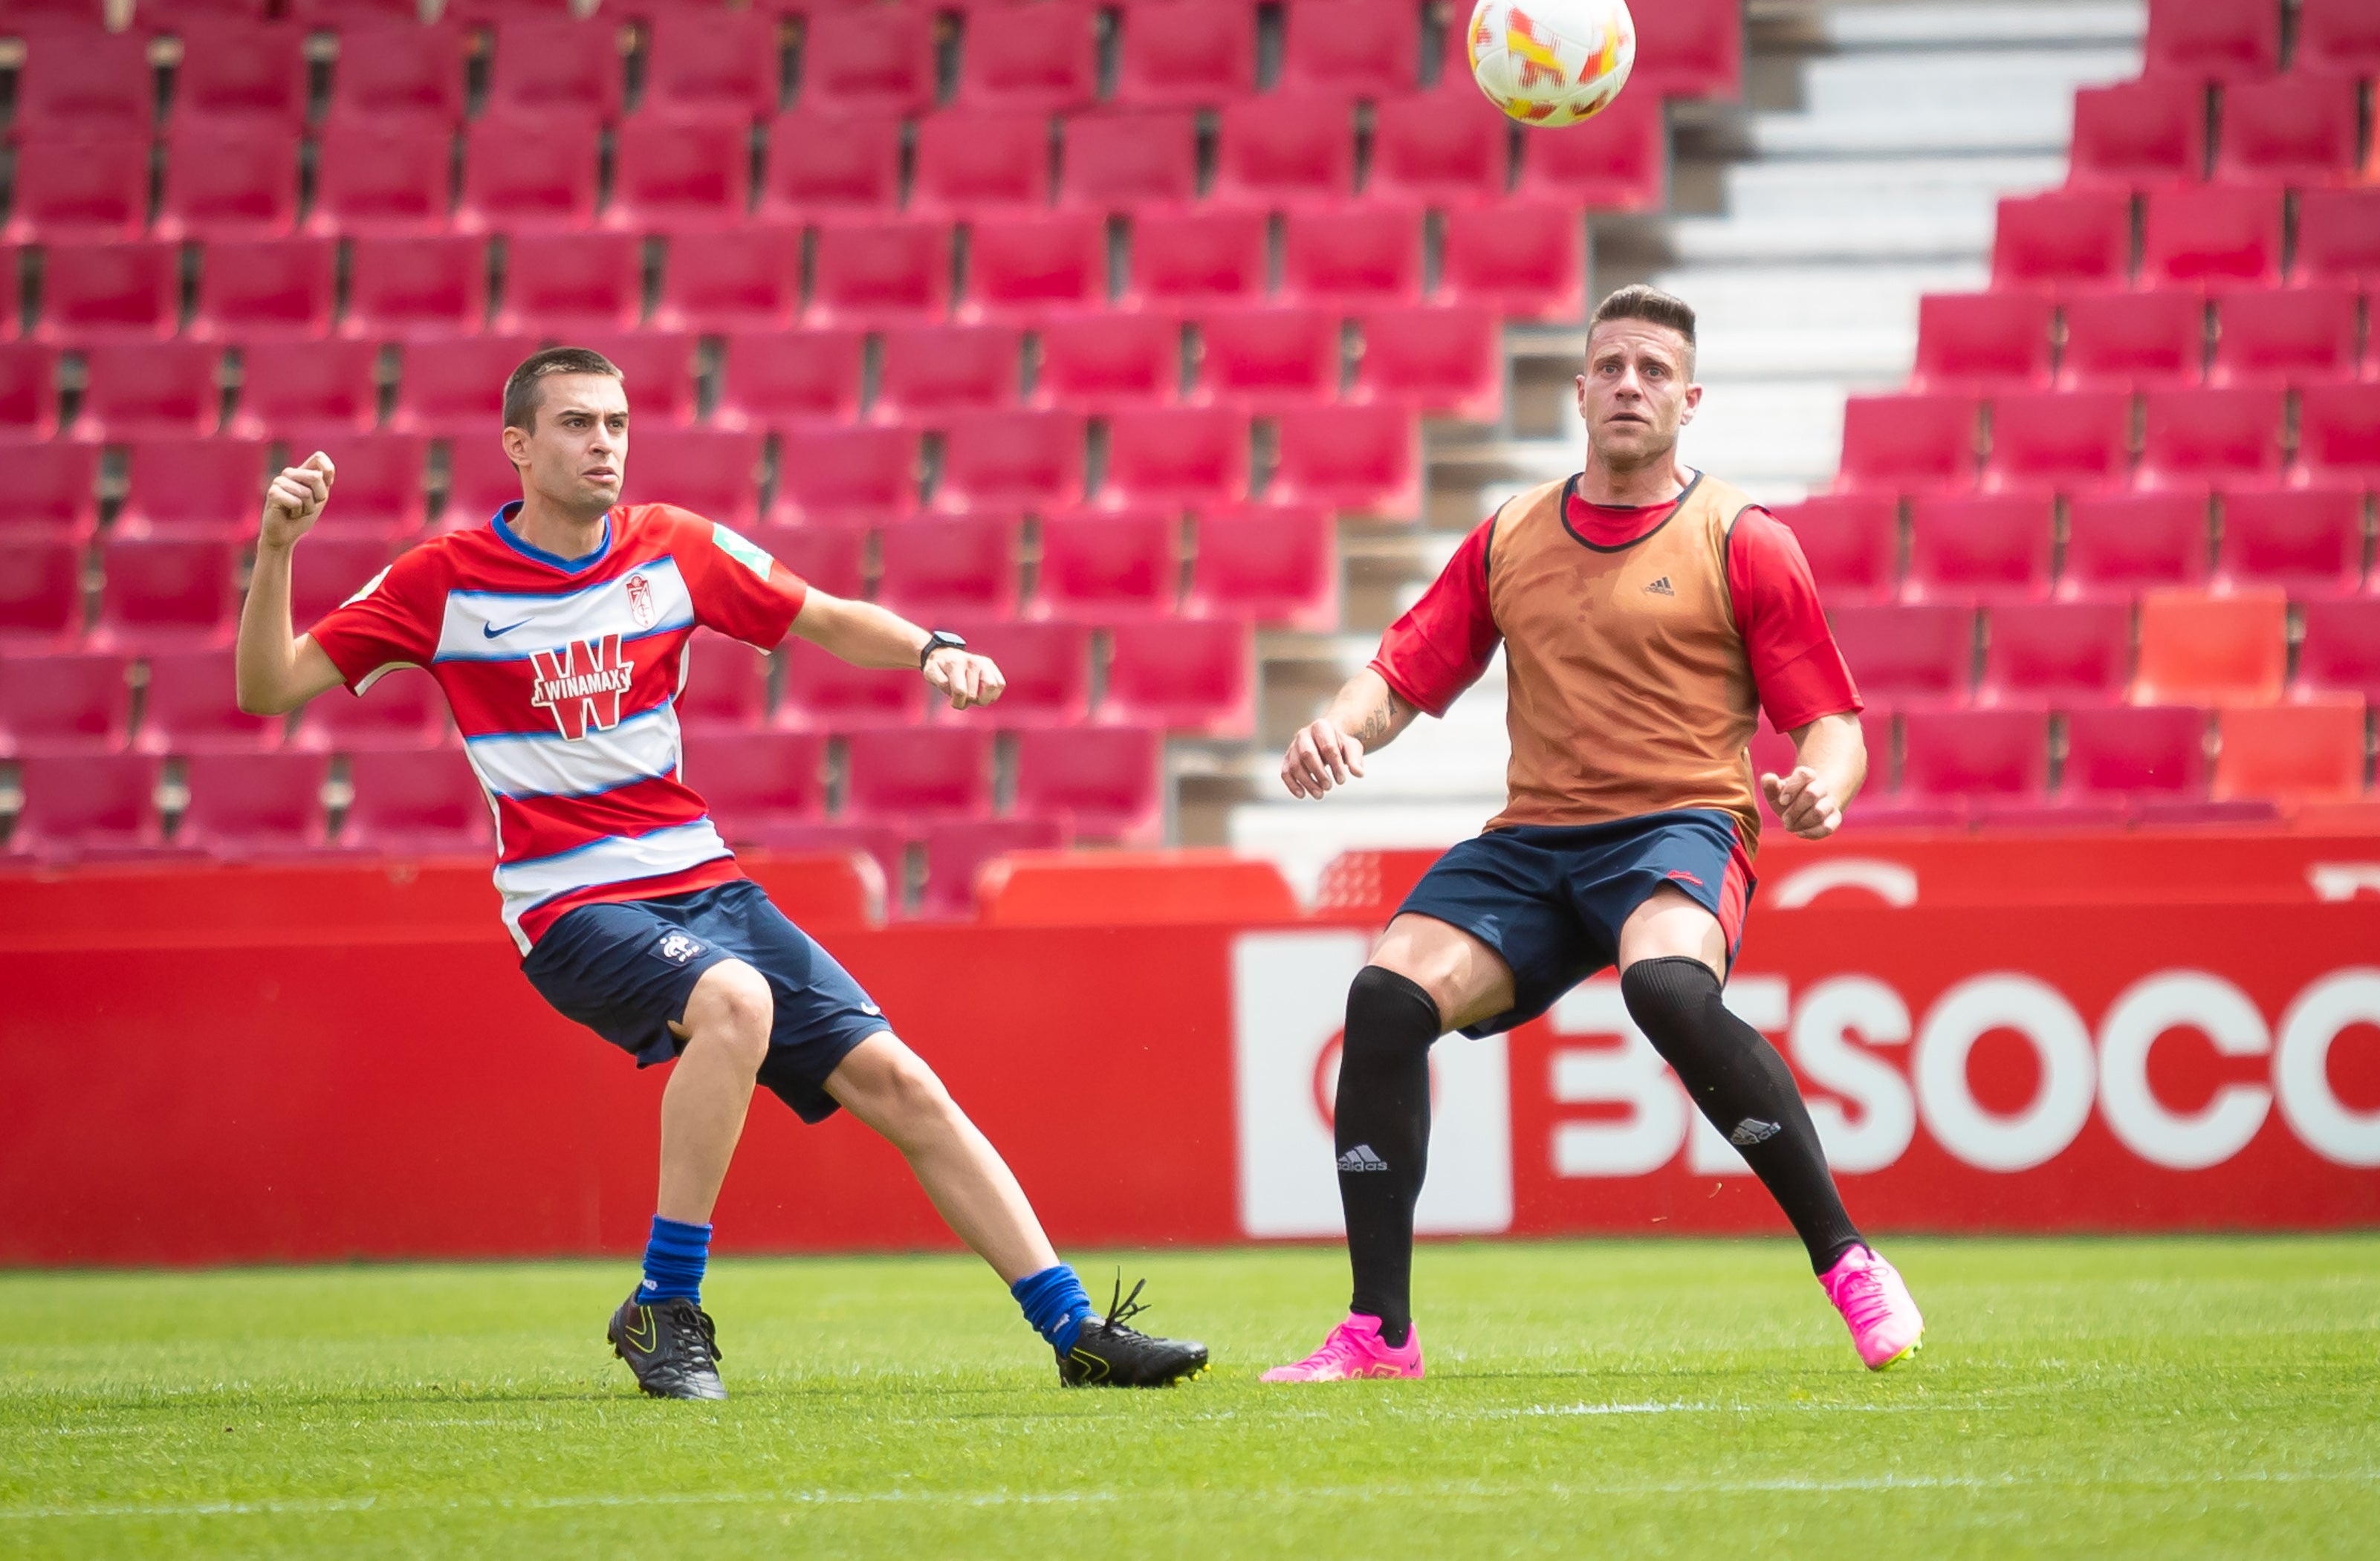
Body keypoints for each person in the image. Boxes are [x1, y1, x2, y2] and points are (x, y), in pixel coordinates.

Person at [235, 345, 1206, 1400]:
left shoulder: (673, 549)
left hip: (707, 882)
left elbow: (826, 614)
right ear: (517, 445)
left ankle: (1076, 1333)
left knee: (902, 1084)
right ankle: (667, 1299)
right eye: (574, 424)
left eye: (613, 422)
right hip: (569, 901)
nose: (602, 442)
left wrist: (933, 648)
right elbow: (268, 687)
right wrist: (277, 549)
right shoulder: (445, 580)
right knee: (733, 1001)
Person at [1259, 285, 1923, 1383]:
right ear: (1577, 391)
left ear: (1690, 400)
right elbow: (1400, 675)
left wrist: (1821, 783)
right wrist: (1336, 727)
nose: (1629, 385)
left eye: (1653, 371)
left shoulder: (1743, 538)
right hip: (1535, 843)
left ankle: (1849, 1261)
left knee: (1665, 991)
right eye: (1611, 366)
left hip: (1679, 825)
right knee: (1383, 998)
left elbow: (1833, 724)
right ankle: (1381, 1332)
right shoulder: (1513, 533)